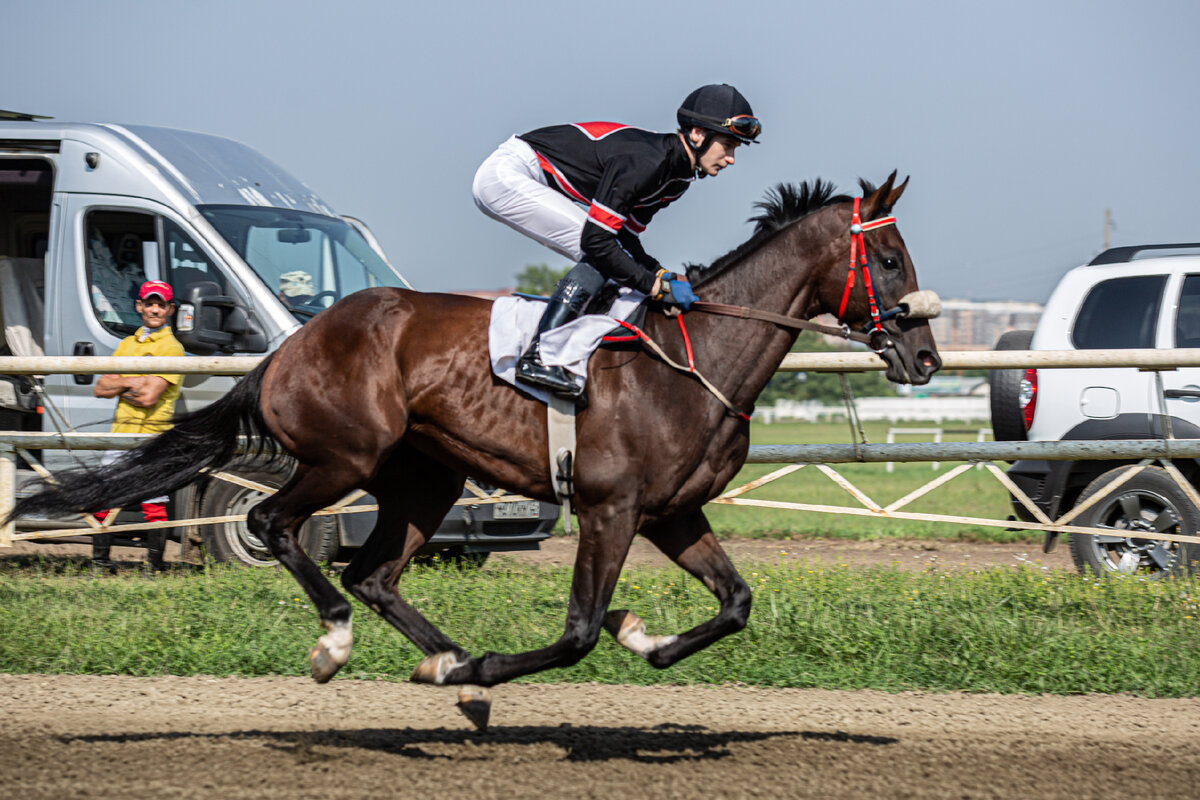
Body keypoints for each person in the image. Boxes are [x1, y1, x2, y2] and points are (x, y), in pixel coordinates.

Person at [473, 83, 761, 405]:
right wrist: (653, 286)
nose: (732, 158)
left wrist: (659, 272)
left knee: (613, 258)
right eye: (728, 145)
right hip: (506, 175)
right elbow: (599, 243)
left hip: (525, 175)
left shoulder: (677, 181)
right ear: (697, 134)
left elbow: (625, 238)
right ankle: (540, 355)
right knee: (599, 254)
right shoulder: (648, 163)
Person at [90, 280, 185, 572]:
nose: (155, 309)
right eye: (149, 303)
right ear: (139, 307)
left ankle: (154, 566)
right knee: (104, 497)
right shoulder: (126, 344)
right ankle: (99, 564)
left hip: (152, 435)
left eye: (161, 304)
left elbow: (148, 397)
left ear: (170, 309)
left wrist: (122, 383)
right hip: (120, 433)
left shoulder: (173, 348)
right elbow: (100, 387)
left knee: (153, 501)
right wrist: (136, 380)